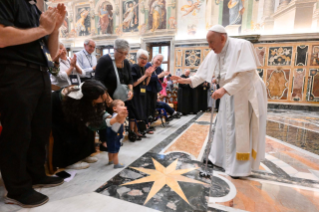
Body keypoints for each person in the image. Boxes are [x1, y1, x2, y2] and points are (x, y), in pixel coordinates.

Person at [172, 25, 267, 178]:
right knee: (225, 126)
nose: (209, 46)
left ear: (223, 38)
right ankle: (224, 161)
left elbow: (246, 75)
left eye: (211, 42)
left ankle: (239, 168)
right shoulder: (215, 52)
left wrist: (224, 89)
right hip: (229, 94)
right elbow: (202, 73)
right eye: (208, 43)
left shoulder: (241, 46)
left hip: (246, 93)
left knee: (240, 129)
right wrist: (186, 80)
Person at [0, 2, 66, 208]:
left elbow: (52, 53)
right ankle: (17, 188)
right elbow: (2, 37)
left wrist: (55, 29)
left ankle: (36, 174)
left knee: (40, 130)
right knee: (18, 133)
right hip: (15, 72)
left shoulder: (34, 9)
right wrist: (44, 29)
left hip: (40, 72)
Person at [52, 80, 127, 170]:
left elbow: (99, 110)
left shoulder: (93, 93)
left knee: (87, 131)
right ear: (91, 98)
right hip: (60, 109)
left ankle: (84, 155)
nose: (105, 98)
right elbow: (93, 125)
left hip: (78, 107)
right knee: (72, 130)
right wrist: (114, 120)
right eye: (102, 98)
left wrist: (108, 116)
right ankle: (72, 161)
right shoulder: (77, 102)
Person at [95, 38, 133, 146]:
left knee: (118, 119)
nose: (123, 56)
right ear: (114, 49)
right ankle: (105, 142)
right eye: (121, 53)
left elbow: (130, 79)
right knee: (107, 119)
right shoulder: (105, 60)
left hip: (119, 98)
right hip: (105, 97)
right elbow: (98, 82)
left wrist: (130, 90)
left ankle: (115, 139)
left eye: (126, 53)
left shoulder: (126, 62)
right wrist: (108, 99)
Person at [128, 49, 154, 140]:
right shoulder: (133, 67)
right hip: (134, 93)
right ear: (137, 58)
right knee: (133, 113)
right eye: (142, 58)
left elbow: (145, 84)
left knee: (139, 113)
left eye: (146, 59)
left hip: (142, 94)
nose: (144, 60)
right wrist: (145, 75)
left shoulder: (143, 68)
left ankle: (137, 131)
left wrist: (149, 75)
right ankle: (131, 132)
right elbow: (134, 83)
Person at [145, 54, 169, 123]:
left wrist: (164, 76)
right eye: (158, 59)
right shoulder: (147, 66)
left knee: (152, 107)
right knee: (147, 107)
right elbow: (147, 79)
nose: (158, 62)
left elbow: (160, 80)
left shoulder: (159, 68)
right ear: (154, 58)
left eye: (160, 61)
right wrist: (159, 76)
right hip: (147, 90)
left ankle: (150, 123)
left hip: (154, 91)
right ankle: (147, 124)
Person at [107, 100, 128, 168]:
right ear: (114, 108)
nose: (124, 107)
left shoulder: (114, 115)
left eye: (124, 105)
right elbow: (121, 122)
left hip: (110, 134)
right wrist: (124, 116)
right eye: (121, 105)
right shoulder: (117, 116)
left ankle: (110, 160)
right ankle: (116, 164)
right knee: (116, 150)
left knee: (110, 149)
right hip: (115, 135)